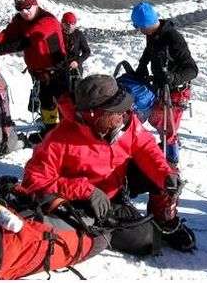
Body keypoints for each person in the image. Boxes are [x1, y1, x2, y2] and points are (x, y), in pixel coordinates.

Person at [19, 74, 196, 252]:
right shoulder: (59, 140)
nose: (124, 114)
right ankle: (99, 228)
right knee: (147, 242)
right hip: (85, 201)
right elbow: (33, 181)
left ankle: (165, 221)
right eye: (116, 110)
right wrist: (86, 191)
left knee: (166, 173)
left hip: (118, 185)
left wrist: (164, 175)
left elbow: (146, 148)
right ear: (93, 114)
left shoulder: (126, 122)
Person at [0, 0, 67, 132]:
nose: (24, 12)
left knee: (63, 103)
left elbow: (26, 40)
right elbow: (8, 34)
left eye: (27, 8)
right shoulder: (20, 20)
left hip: (57, 71)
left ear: (35, 3)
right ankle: (51, 131)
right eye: (20, 9)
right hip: (41, 73)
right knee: (46, 103)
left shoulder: (48, 21)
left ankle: (69, 132)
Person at [131, 2, 198, 167]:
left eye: (139, 27)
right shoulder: (153, 34)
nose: (139, 31)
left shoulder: (173, 38)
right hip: (163, 88)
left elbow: (192, 69)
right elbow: (149, 50)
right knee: (158, 121)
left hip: (176, 92)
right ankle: (167, 148)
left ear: (146, 24)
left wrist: (173, 78)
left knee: (168, 129)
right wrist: (141, 66)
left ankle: (171, 164)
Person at [61, 12, 91, 77]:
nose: (70, 26)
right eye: (68, 24)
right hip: (60, 68)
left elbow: (87, 51)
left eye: (73, 24)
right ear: (63, 23)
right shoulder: (58, 33)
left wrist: (77, 61)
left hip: (75, 68)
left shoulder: (79, 35)